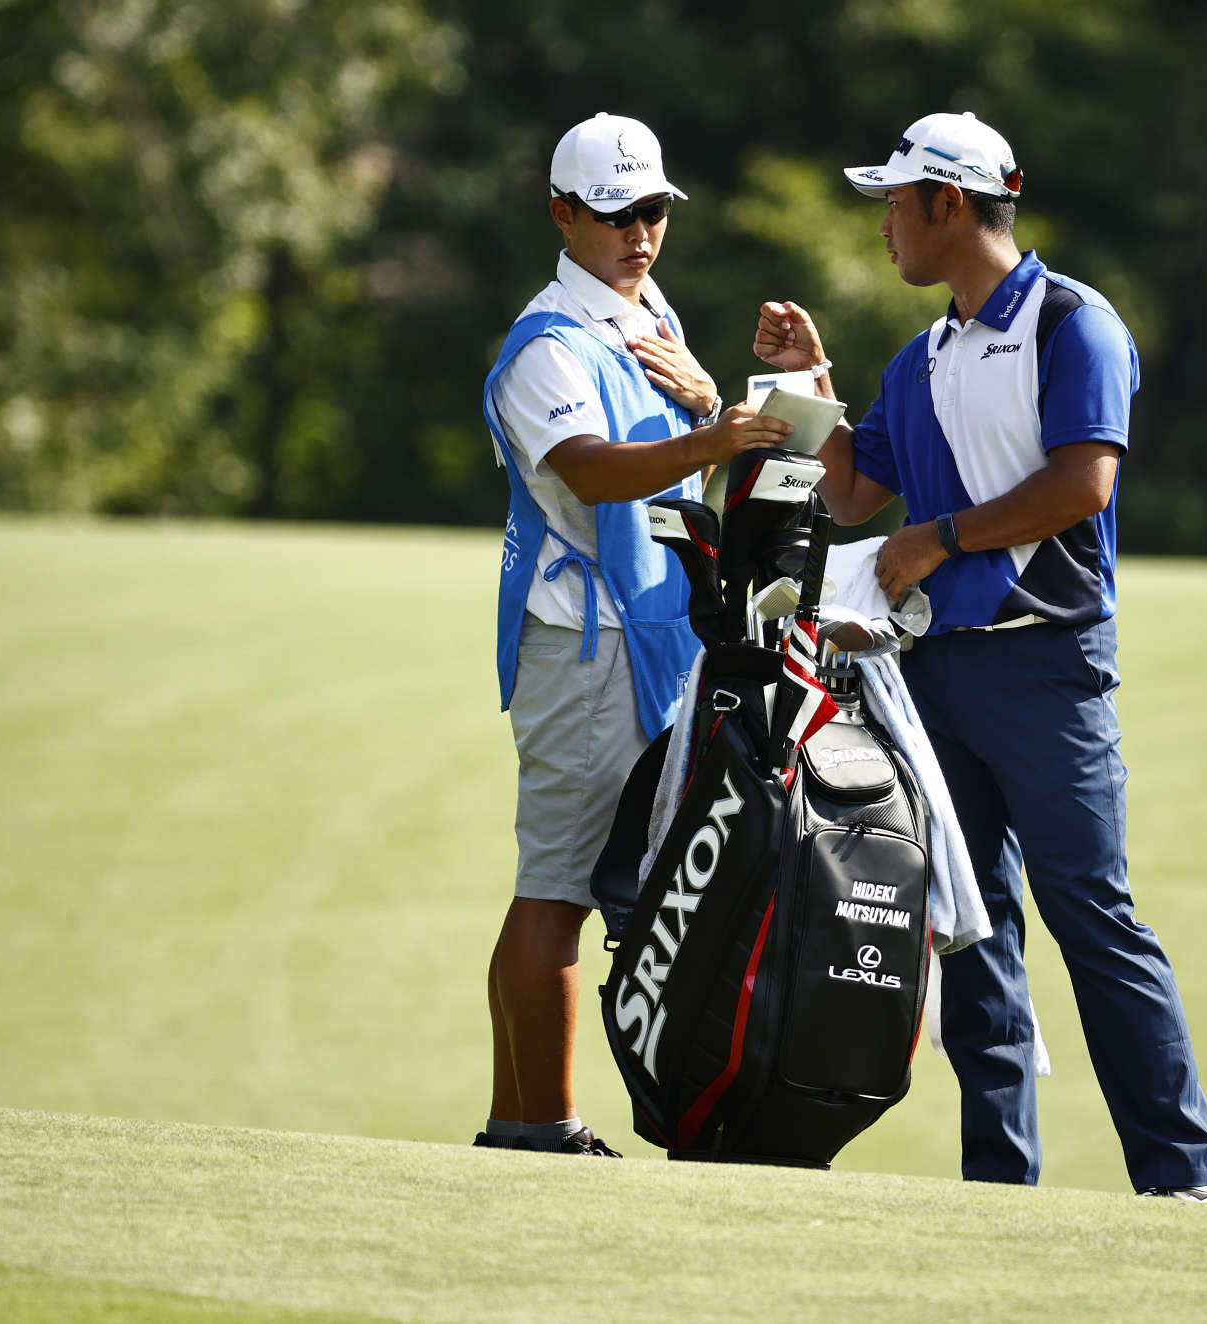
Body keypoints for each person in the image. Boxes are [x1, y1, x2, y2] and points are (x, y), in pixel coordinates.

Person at [753, 111, 1207, 1198]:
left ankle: (1182, 1175)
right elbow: (849, 489)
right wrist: (811, 382)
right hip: (936, 677)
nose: (884, 230)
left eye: (894, 206)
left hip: (1047, 667)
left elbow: (1083, 485)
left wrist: (941, 538)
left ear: (950, 205)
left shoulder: (1075, 324)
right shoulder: (920, 358)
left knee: (1091, 912)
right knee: (970, 931)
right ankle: (999, 1182)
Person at [478, 113, 791, 1156]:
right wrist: (715, 429)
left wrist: (711, 403)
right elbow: (593, 467)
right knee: (557, 885)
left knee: (632, 886)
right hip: (580, 644)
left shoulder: (645, 312)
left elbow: (688, 467)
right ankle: (541, 1125)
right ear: (562, 214)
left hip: (658, 634)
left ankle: (528, 1123)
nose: (639, 232)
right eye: (614, 214)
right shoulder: (545, 345)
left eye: (653, 210)